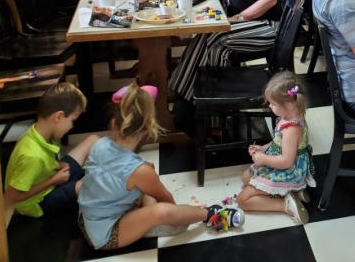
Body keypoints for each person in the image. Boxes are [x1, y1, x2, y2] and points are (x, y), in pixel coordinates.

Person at [78, 85, 241, 250]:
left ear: (113, 123)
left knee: (137, 180)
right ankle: (210, 214)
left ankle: (144, 214)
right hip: (106, 234)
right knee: (162, 212)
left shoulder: (99, 144)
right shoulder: (139, 171)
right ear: (148, 128)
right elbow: (166, 200)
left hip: (88, 218)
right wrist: (176, 215)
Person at [4, 83, 99, 218]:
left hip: (53, 177)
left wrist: (57, 165)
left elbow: (43, 165)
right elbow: (10, 198)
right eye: (72, 120)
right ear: (58, 116)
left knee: (93, 140)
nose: (72, 126)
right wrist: (53, 180)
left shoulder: (39, 132)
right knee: (91, 184)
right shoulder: (32, 157)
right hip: (39, 202)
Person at [237, 71, 315, 225]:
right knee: (246, 177)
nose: (269, 106)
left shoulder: (292, 129)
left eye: (273, 104)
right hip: (282, 163)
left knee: (243, 200)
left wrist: (262, 159)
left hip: (286, 170)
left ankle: (285, 204)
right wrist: (263, 149)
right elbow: (279, 143)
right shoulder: (290, 116)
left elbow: (286, 161)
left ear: (289, 104)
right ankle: (293, 191)